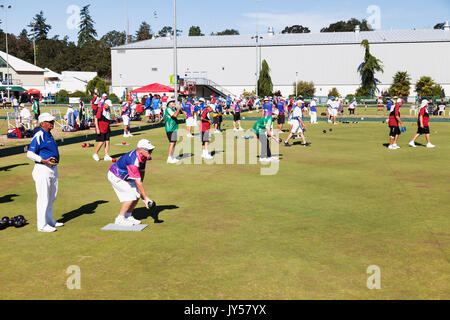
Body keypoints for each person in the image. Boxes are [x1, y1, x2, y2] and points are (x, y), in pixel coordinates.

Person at [26, 113, 64, 232]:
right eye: (49, 121)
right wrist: (43, 160)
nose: (52, 123)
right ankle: (41, 225)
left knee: (52, 196)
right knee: (43, 198)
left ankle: (49, 220)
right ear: (42, 123)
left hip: (52, 169)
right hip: (42, 169)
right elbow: (29, 153)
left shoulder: (49, 134)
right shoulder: (39, 135)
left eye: (52, 121)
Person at [108, 139, 157, 226]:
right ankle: (120, 219)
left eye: (151, 150)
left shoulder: (144, 156)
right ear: (141, 150)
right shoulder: (133, 161)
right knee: (130, 196)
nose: (151, 151)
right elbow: (138, 181)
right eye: (149, 150)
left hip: (127, 176)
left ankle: (128, 216)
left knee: (137, 194)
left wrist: (140, 190)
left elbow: (141, 172)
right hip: (116, 176)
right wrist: (145, 199)